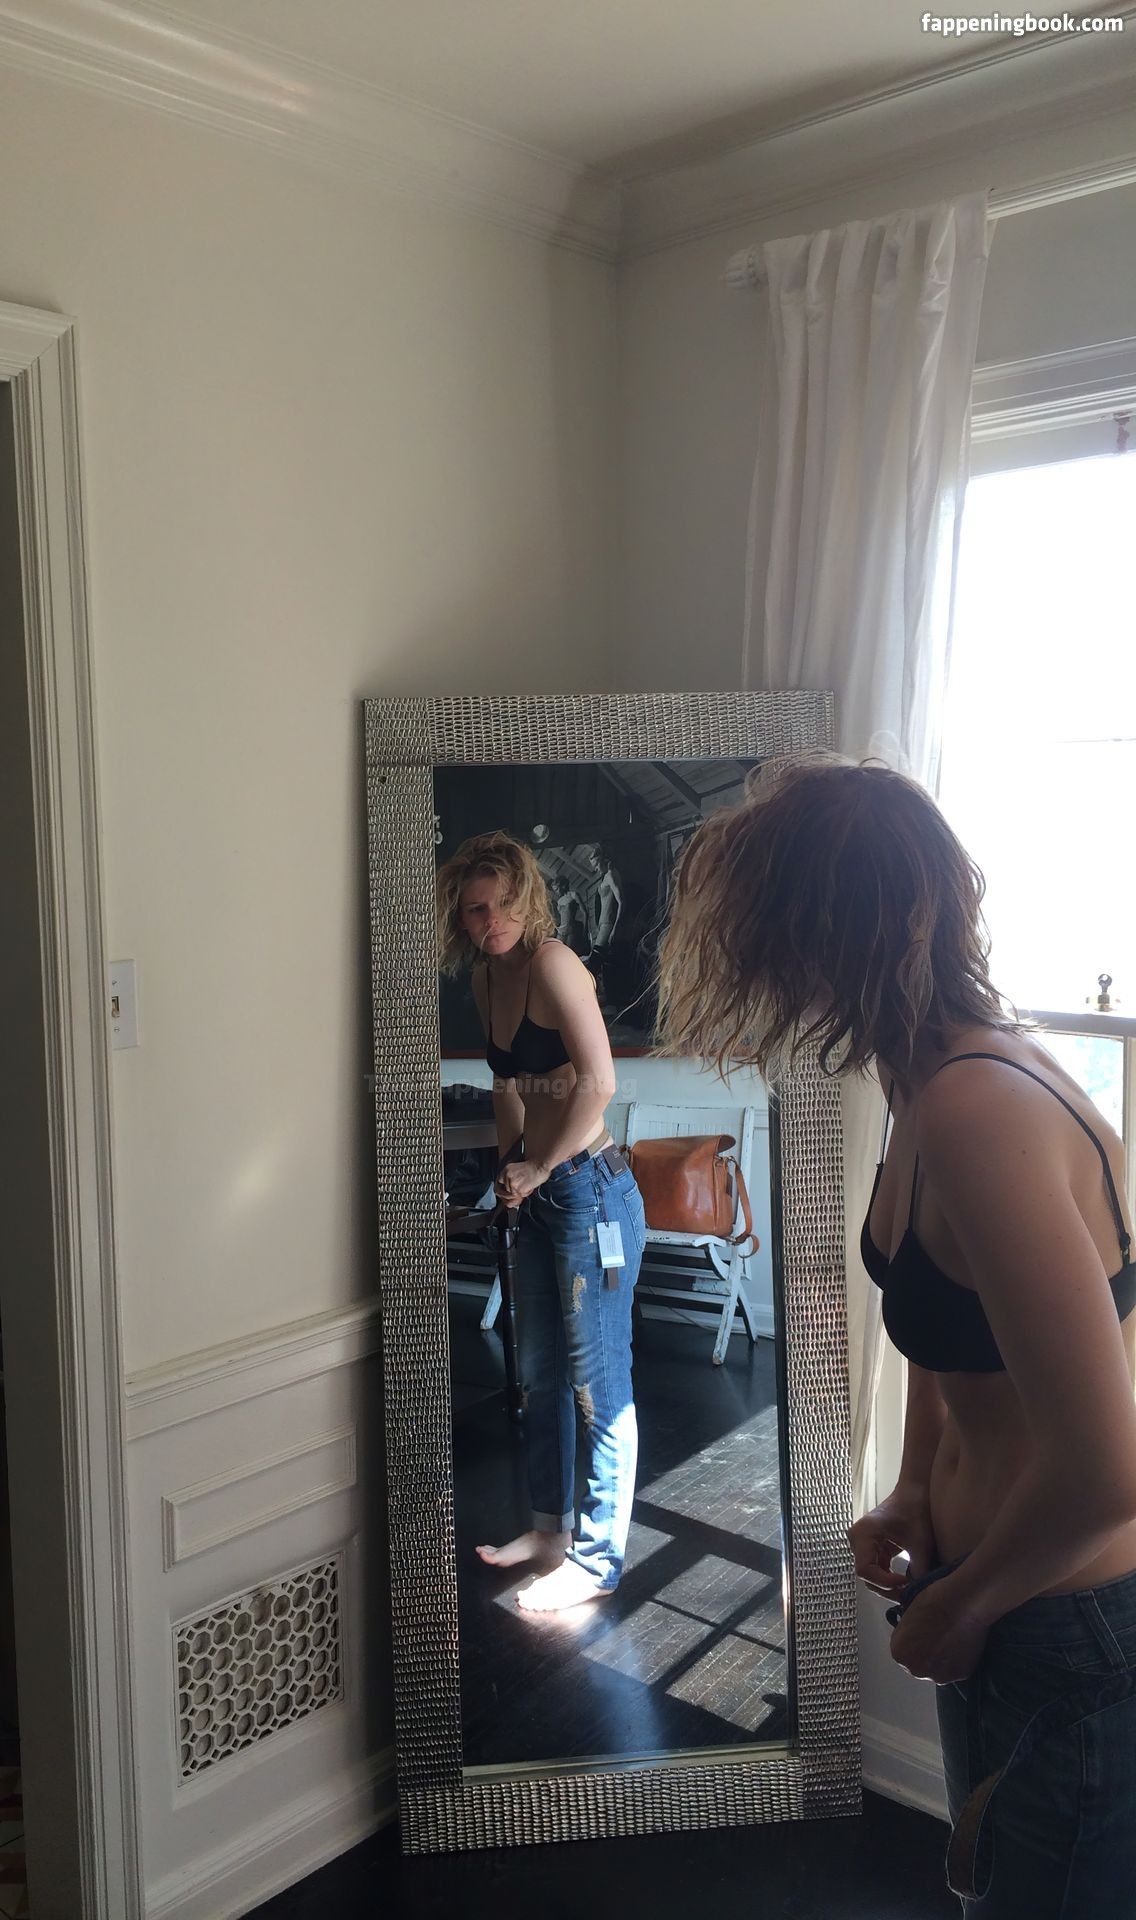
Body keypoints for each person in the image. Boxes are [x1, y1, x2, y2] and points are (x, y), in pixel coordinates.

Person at [656, 754, 1136, 1917]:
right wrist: (917, 1489)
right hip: (997, 1588)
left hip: (1059, 1614)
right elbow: (948, 1322)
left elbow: (1109, 1470)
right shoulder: (925, 1085)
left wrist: (970, 1606)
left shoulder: (979, 1105)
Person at [436, 829, 647, 1612]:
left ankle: (597, 1561)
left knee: (599, 1384)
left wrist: (542, 1165)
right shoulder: (487, 978)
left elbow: (598, 1082)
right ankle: (551, 1532)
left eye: (501, 904)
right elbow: (507, 1085)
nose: (489, 920)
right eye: (474, 910)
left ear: (528, 900)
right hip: (541, 1192)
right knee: (537, 1375)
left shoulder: (554, 963)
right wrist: (509, 1169)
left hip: (592, 1190)